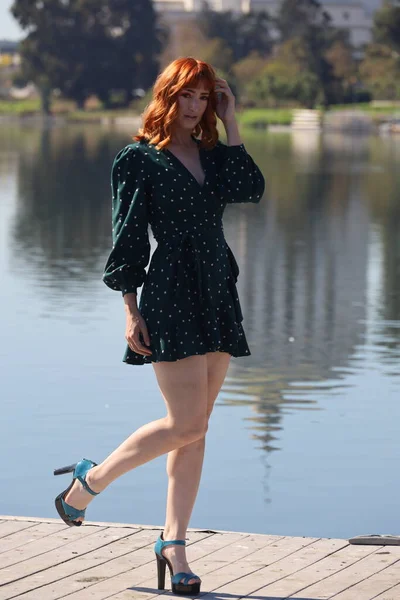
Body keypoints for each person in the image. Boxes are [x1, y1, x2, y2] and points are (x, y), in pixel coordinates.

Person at [54, 57, 265, 596]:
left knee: (197, 430)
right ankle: (90, 480)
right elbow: (126, 238)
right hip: (169, 292)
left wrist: (232, 119)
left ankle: (174, 544)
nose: (193, 107)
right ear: (166, 97)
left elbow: (251, 186)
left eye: (202, 97)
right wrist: (130, 306)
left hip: (217, 290)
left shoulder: (215, 156)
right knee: (186, 422)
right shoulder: (138, 160)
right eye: (185, 96)